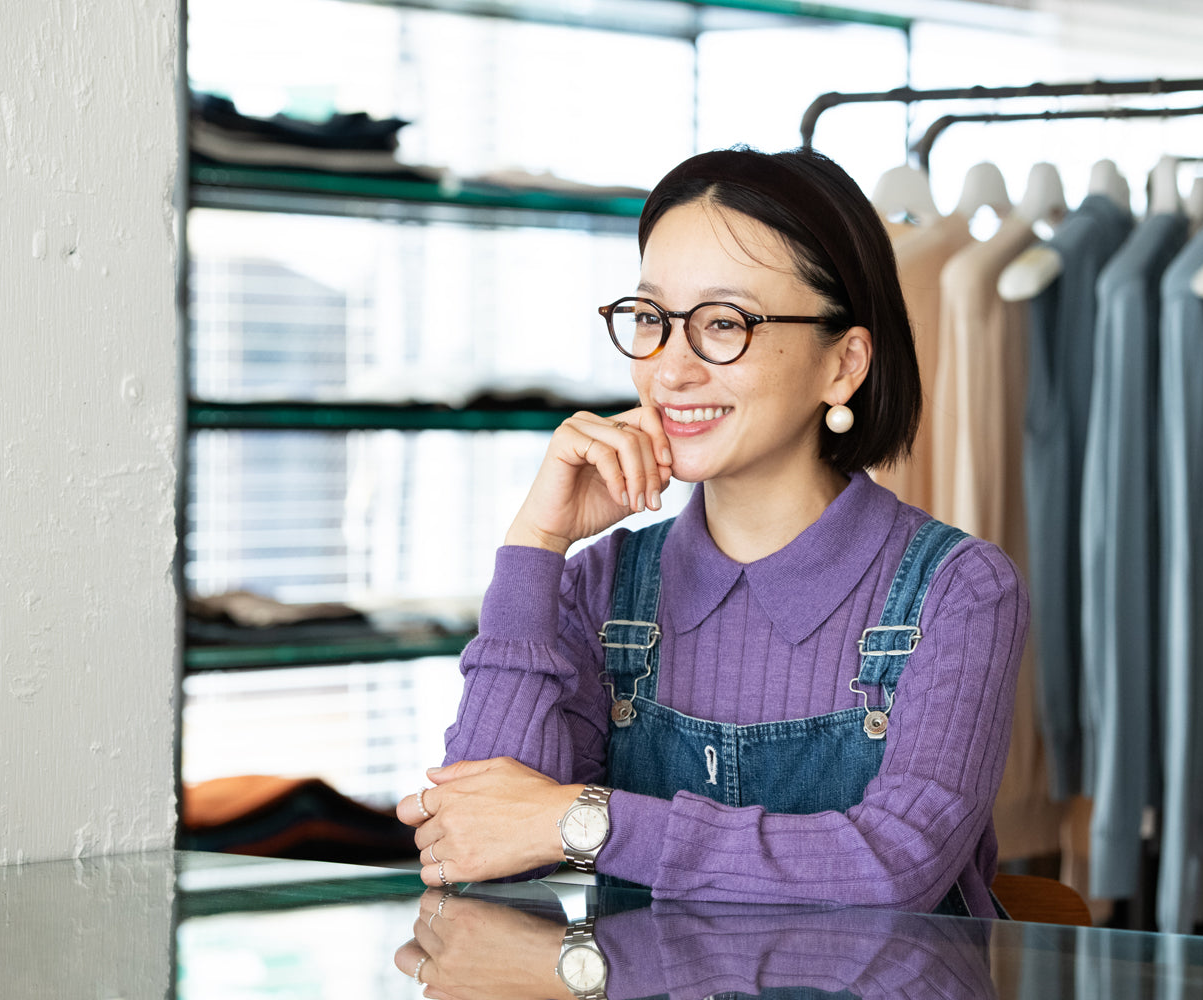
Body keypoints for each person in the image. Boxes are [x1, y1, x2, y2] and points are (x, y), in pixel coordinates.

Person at [396, 146, 1027, 916]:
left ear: (844, 366)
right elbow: (478, 853)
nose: (669, 370)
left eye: (724, 323)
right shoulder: (603, 585)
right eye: (652, 319)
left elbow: (891, 869)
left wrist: (582, 820)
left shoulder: (957, 590)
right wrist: (537, 545)